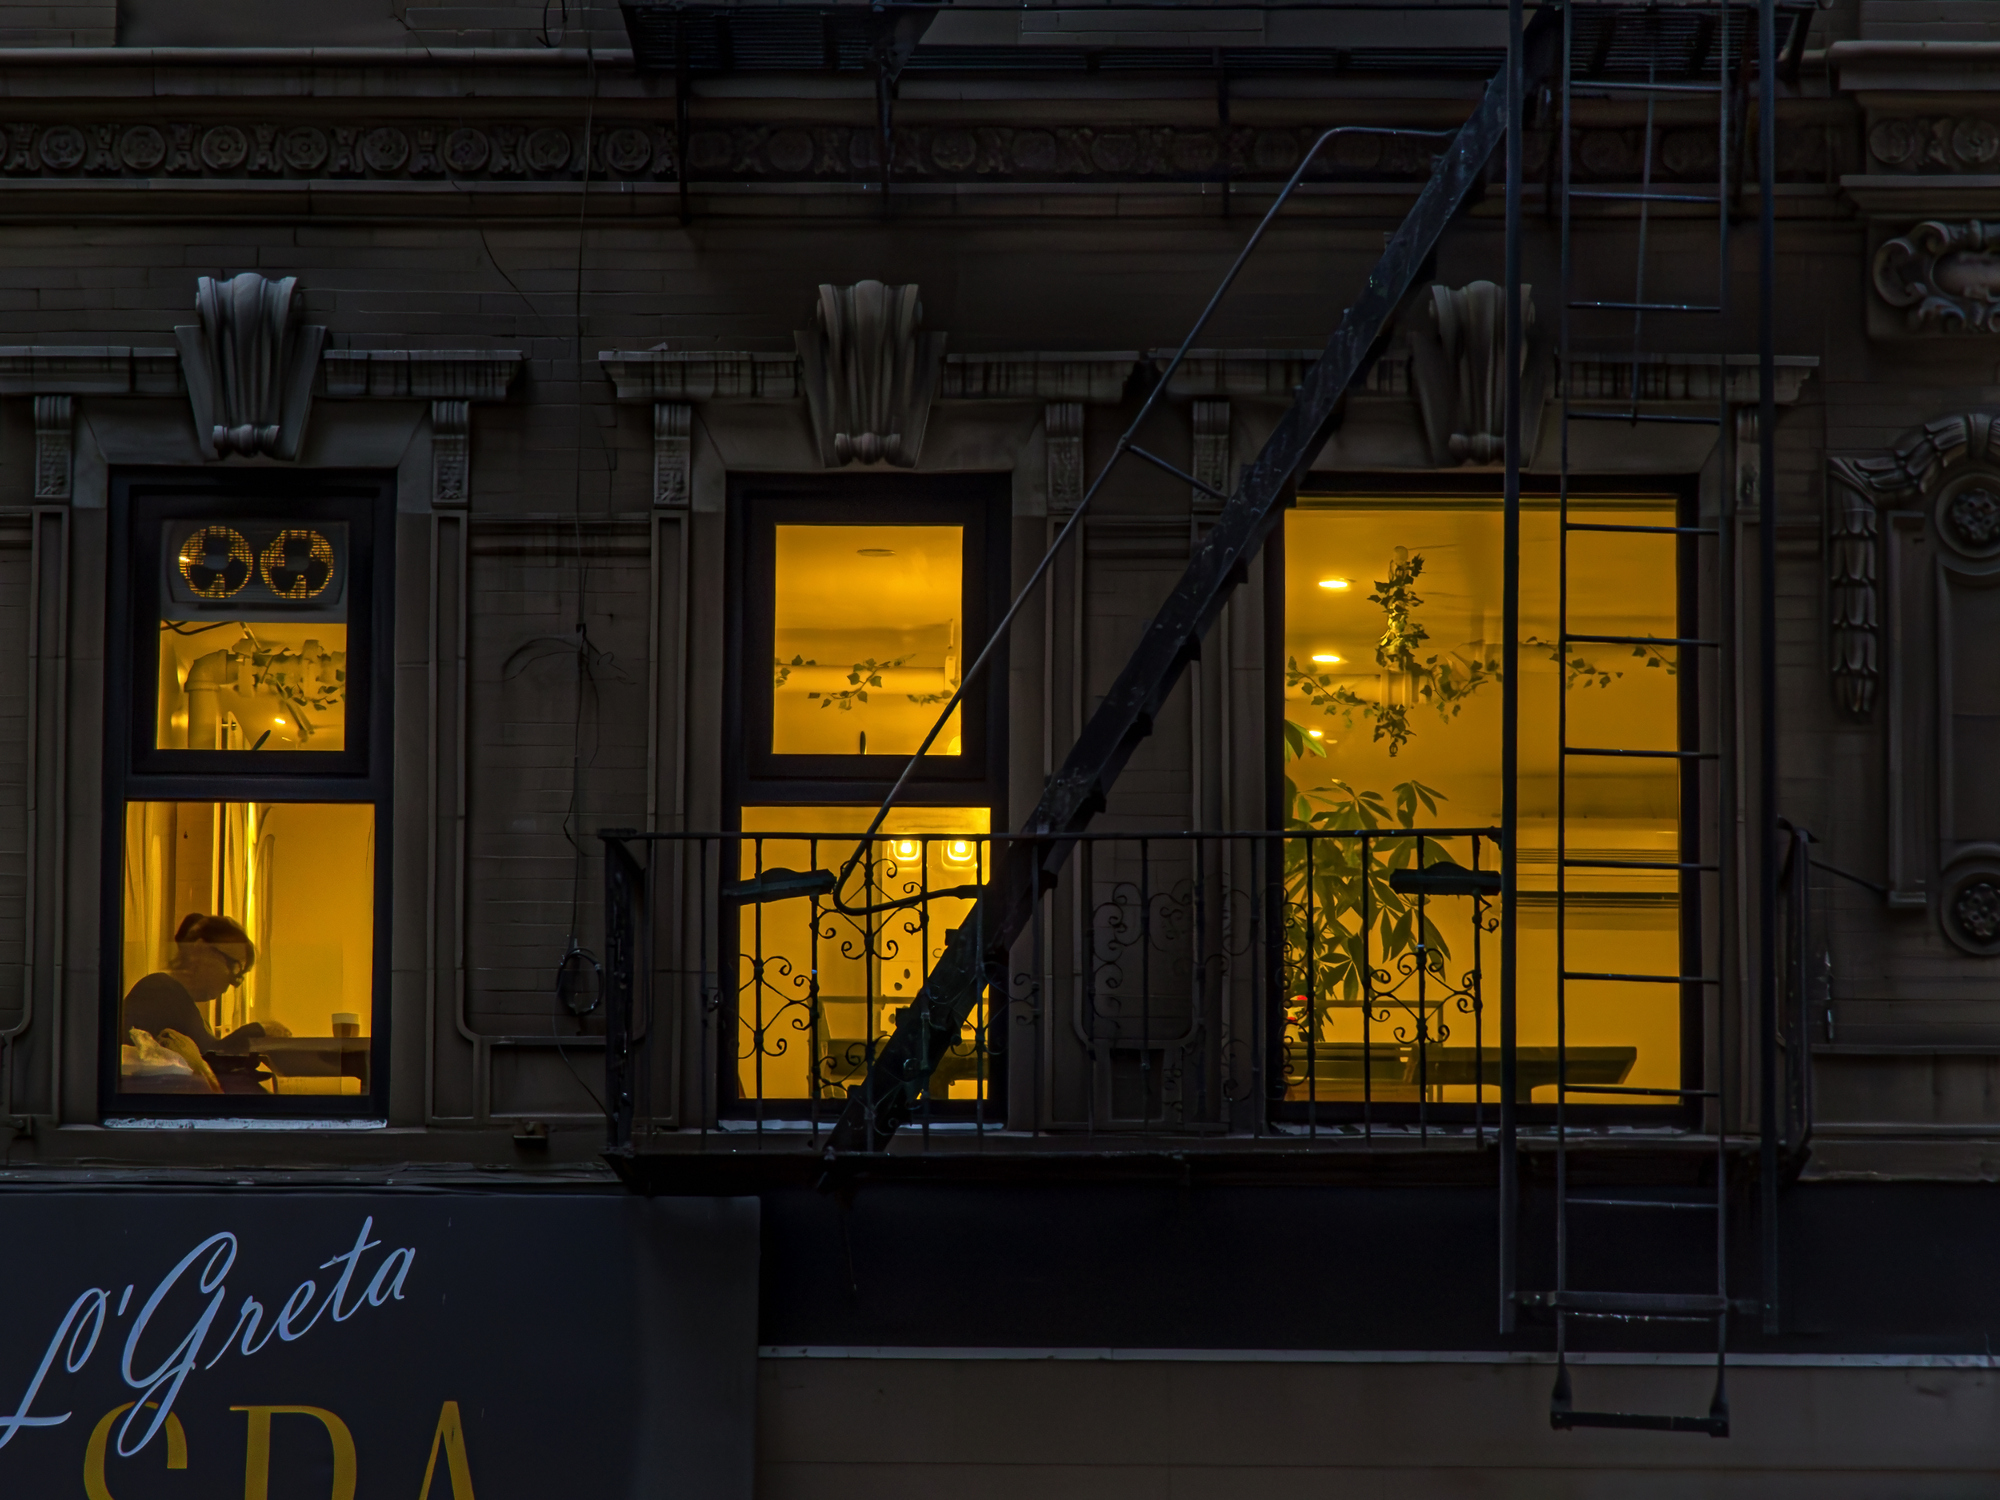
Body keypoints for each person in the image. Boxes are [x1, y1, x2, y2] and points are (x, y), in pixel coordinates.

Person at [122, 913, 291, 1053]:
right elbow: (211, 1056)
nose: (235, 982)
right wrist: (258, 1030)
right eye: (234, 967)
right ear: (200, 948)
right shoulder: (158, 992)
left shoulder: (178, 1000)